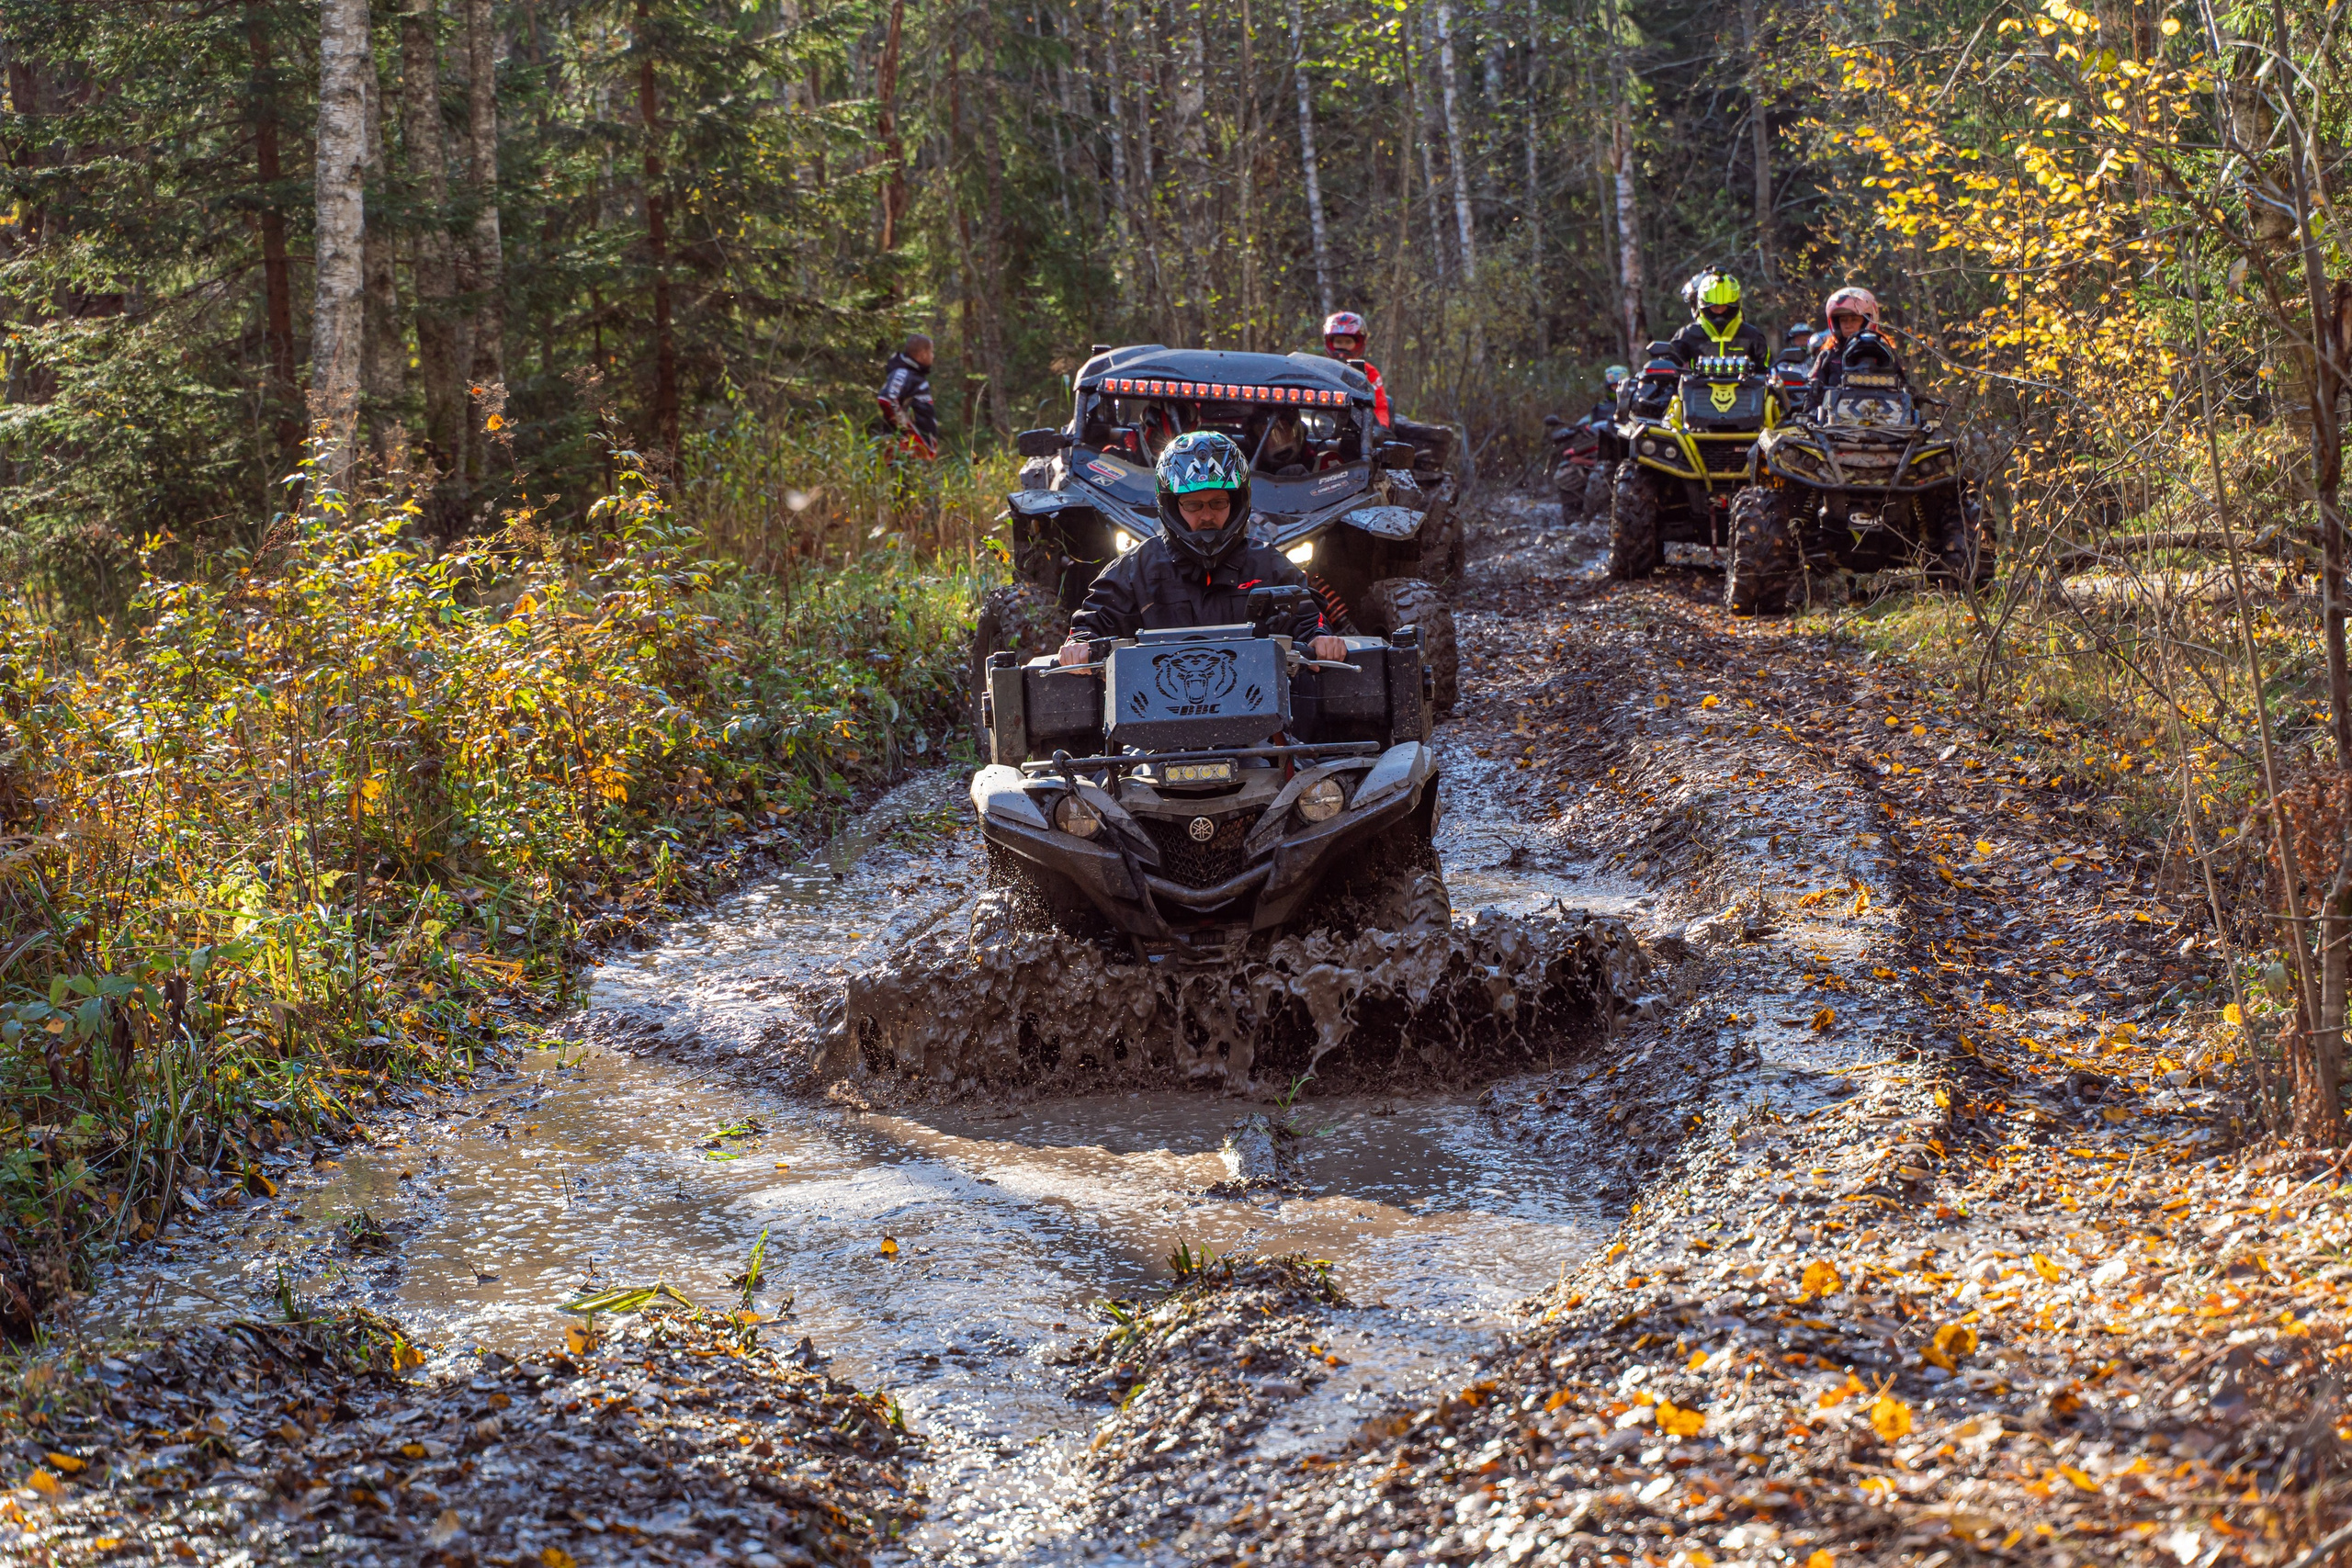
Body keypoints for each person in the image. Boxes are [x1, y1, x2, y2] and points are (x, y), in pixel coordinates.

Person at [1058, 431, 1346, 664]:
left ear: (1236, 503)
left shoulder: (1269, 563)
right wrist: (1079, 646)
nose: (1207, 515)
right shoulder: (1136, 567)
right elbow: (1090, 626)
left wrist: (1320, 638)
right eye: (1193, 504)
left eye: (1218, 503)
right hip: (1155, 721)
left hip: (1259, 720)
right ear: (1172, 504)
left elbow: (1310, 618)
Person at [1665, 272, 1770, 375]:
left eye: (1724, 306)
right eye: (1714, 307)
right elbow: (1668, 365)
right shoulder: (1687, 334)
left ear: (1735, 305)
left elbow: (1769, 371)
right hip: (1698, 391)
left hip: (1745, 391)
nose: (1720, 312)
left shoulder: (1753, 336)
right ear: (1703, 305)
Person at [1807, 286, 1906, 391]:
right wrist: (1814, 389)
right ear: (1836, 323)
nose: (1848, 325)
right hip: (1834, 407)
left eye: (1854, 319)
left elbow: (1904, 389)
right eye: (1843, 320)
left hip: (1881, 407)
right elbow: (1810, 393)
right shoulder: (1828, 355)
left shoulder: (1885, 353)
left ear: (1868, 320)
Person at [1320, 310, 1392, 426]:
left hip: (1358, 429)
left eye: (1348, 342)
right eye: (1339, 342)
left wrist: (1381, 428)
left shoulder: (1370, 372)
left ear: (1358, 343)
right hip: (1320, 424)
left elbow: (1380, 407)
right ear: (1330, 343)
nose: (1343, 346)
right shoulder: (1318, 367)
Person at [874, 333, 938, 456]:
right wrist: (908, 432)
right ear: (922, 353)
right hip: (902, 451)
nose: (933, 356)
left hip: (915, 452)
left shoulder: (914, 375)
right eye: (931, 352)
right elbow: (886, 399)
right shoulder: (903, 373)